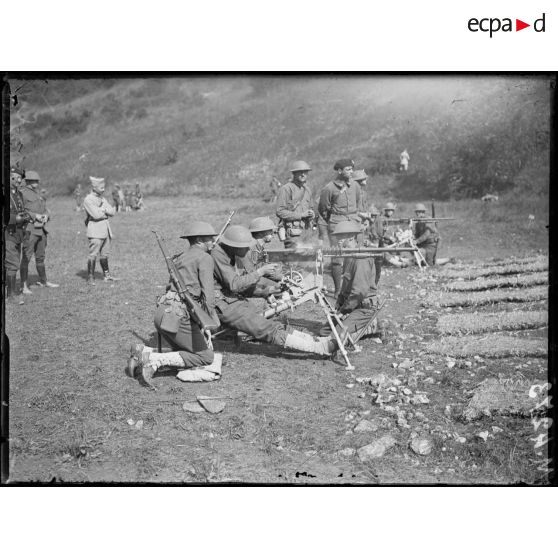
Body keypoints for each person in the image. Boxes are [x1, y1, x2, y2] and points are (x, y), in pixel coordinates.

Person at [211, 225, 333, 355]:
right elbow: (235, 285)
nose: (248, 249)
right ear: (234, 245)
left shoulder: (226, 254)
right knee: (266, 328)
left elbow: (238, 288)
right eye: (245, 246)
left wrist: (266, 292)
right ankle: (319, 349)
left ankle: (316, 341)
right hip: (222, 304)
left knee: (271, 323)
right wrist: (260, 272)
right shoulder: (218, 256)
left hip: (230, 300)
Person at [126, 221, 220, 389]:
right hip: (178, 318)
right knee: (206, 357)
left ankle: (144, 352)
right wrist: (208, 324)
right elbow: (209, 297)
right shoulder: (205, 258)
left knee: (185, 354)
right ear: (199, 240)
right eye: (210, 239)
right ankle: (153, 360)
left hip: (163, 313)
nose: (213, 241)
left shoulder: (180, 257)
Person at [319, 221, 379, 339]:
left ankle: (371, 325)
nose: (339, 240)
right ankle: (357, 327)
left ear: (352, 237)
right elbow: (346, 284)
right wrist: (339, 304)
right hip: (352, 306)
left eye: (342, 236)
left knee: (334, 337)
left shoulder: (361, 258)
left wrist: (344, 310)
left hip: (363, 309)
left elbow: (359, 292)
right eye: (338, 237)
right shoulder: (349, 255)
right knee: (324, 332)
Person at [317, 158, 365, 296]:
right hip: (336, 226)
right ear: (339, 171)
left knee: (354, 256)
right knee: (337, 258)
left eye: (352, 169)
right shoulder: (329, 188)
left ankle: (351, 288)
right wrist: (326, 229)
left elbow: (356, 203)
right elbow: (323, 209)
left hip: (353, 225)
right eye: (348, 169)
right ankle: (338, 290)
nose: (351, 172)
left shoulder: (355, 185)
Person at [19, 171, 59, 293]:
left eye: (37, 181)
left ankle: (44, 281)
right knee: (26, 257)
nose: (36, 182)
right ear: (28, 181)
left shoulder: (37, 194)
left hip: (41, 230)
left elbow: (45, 209)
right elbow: (20, 212)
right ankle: (24, 286)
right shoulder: (22, 193)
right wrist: (34, 215)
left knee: (40, 257)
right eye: (34, 180)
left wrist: (46, 215)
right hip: (29, 229)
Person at [83, 176, 118, 285]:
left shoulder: (102, 199)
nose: (103, 189)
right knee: (93, 254)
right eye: (101, 188)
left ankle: (106, 276)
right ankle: (90, 277)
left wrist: (103, 209)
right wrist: (104, 210)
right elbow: (96, 215)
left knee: (104, 254)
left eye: (104, 187)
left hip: (106, 230)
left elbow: (112, 212)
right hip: (95, 231)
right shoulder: (88, 199)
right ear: (95, 188)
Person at [276, 160, 315, 248]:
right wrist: (301, 215)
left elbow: (311, 208)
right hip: (293, 233)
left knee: (308, 259)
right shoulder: (286, 189)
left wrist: (312, 214)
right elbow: (280, 211)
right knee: (293, 259)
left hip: (307, 232)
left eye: (305, 172)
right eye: (300, 172)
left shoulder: (307, 190)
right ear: (294, 173)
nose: (303, 174)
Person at [6, 167, 29, 304]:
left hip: (18, 234)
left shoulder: (19, 194)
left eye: (20, 178)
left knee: (12, 262)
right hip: (8, 233)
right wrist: (16, 219)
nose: (19, 181)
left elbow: (21, 209)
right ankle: (11, 296)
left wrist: (25, 216)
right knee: (12, 264)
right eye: (15, 178)